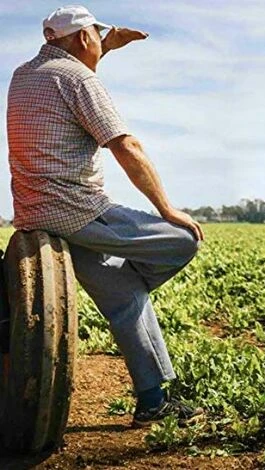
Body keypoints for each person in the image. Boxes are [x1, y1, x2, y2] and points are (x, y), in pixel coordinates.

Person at [6, 5, 204, 428]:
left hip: (34, 212)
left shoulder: (24, 75)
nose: (100, 42)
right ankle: (130, 286)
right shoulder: (80, 80)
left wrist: (107, 44)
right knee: (183, 240)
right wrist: (167, 209)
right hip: (77, 209)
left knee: (126, 296)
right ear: (83, 38)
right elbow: (125, 145)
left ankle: (153, 400)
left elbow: (66, 68)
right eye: (97, 35)